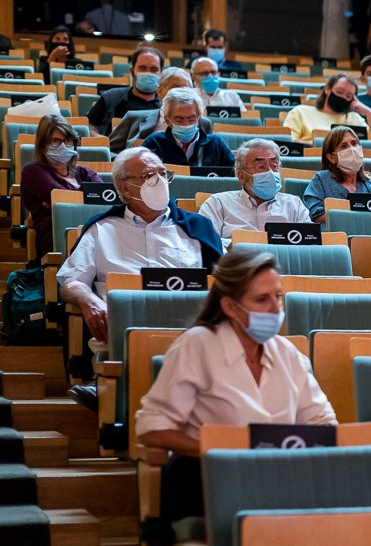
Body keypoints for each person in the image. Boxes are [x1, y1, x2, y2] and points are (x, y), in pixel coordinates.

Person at [136, 246, 336, 538]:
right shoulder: (197, 345)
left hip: (283, 475)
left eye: (278, 296)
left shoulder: (287, 353)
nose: (276, 309)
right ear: (230, 307)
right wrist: (224, 449)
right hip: (212, 477)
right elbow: (152, 429)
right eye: (262, 299)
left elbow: (323, 423)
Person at [57, 148, 223, 342]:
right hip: (124, 330)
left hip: (191, 331)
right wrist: (90, 301)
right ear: (125, 188)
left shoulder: (198, 228)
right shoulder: (100, 229)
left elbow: (226, 281)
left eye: (163, 174)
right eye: (148, 176)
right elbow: (71, 281)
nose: (160, 181)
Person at [199, 139, 310, 248]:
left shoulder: (294, 205)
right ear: (241, 176)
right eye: (261, 167)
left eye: (274, 166)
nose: (270, 172)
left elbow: (311, 244)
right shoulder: (218, 203)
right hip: (237, 259)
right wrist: (236, 245)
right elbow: (205, 243)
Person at [21, 114, 103, 261]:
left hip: (96, 238)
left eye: (68, 140)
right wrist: (86, 198)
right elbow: (62, 198)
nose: (63, 146)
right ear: (43, 145)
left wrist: (63, 201)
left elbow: (104, 200)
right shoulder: (32, 172)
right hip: (58, 244)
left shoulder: (85, 173)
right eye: (55, 141)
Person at [109, 68, 210, 153]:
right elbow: (110, 152)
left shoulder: (204, 123)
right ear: (160, 91)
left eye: (187, 89)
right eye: (175, 87)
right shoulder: (133, 118)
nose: (181, 93)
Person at [302, 126, 371, 221]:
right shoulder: (321, 180)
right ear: (331, 157)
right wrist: (354, 218)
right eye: (344, 146)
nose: (352, 149)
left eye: (354, 143)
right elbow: (314, 215)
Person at [142, 88, 235, 167]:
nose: (186, 124)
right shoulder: (154, 143)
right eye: (179, 120)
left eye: (191, 119)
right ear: (168, 121)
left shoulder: (215, 144)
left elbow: (233, 174)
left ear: (198, 118)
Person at [87, 47, 164, 137]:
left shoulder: (166, 105)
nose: (148, 73)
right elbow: (89, 126)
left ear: (161, 74)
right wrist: (101, 139)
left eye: (154, 69)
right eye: (142, 68)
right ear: (132, 71)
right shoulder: (111, 97)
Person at [284, 73, 371, 142]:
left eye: (348, 96)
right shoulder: (300, 112)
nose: (343, 97)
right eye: (339, 91)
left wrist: (369, 113)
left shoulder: (354, 118)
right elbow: (289, 143)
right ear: (327, 89)